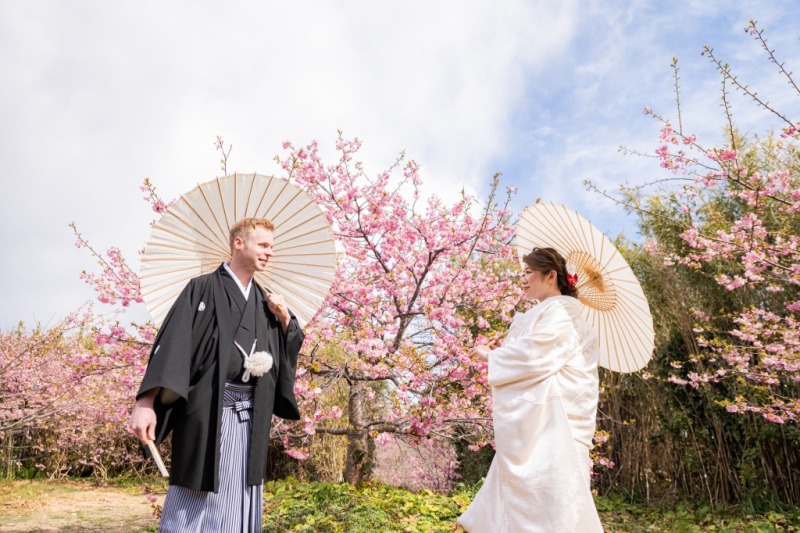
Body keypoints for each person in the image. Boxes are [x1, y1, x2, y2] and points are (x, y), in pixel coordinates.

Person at [127, 217, 304, 532]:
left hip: (252, 414)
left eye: (271, 247)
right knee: (198, 485)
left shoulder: (268, 301)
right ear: (239, 243)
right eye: (263, 245)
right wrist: (146, 401)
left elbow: (285, 350)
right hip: (209, 411)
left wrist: (286, 318)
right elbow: (172, 345)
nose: (270, 253)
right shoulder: (202, 288)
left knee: (242, 490)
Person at [458, 247, 603, 532]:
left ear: (551, 276)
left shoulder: (563, 312)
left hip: (556, 419)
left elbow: (536, 354)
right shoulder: (550, 311)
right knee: (538, 494)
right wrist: (506, 350)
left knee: (551, 497)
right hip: (543, 418)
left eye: (528, 273)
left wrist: (493, 357)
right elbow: (532, 352)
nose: (522, 280)